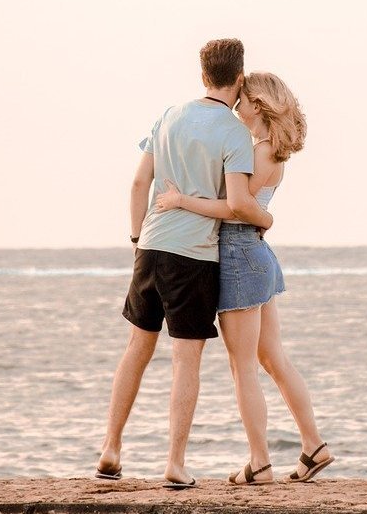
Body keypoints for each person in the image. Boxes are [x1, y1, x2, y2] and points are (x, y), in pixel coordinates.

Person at [95, 38, 274, 489]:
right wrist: (265, 216)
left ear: (201, 76)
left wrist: (139, 238)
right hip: (194, 257)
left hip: (151, 247)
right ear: (238, 79)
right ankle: (174, 464)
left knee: (136, 348)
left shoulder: (168, 115)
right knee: (185, 360)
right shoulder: (235, 133)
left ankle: (110, 449)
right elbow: (235, 204)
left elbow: (139, 183)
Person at [152, 71, 335, 485]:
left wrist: (181, 200)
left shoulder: (259, 152)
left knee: (244, 368)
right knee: (273, 358)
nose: (236, 104)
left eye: (244, 99)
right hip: (255, 254)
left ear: (259, 104)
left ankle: (260, 462)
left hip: (238, 254)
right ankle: (314, 446)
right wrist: (263, 218)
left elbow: (235, 207)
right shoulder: (270, 149)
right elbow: (247, 209)